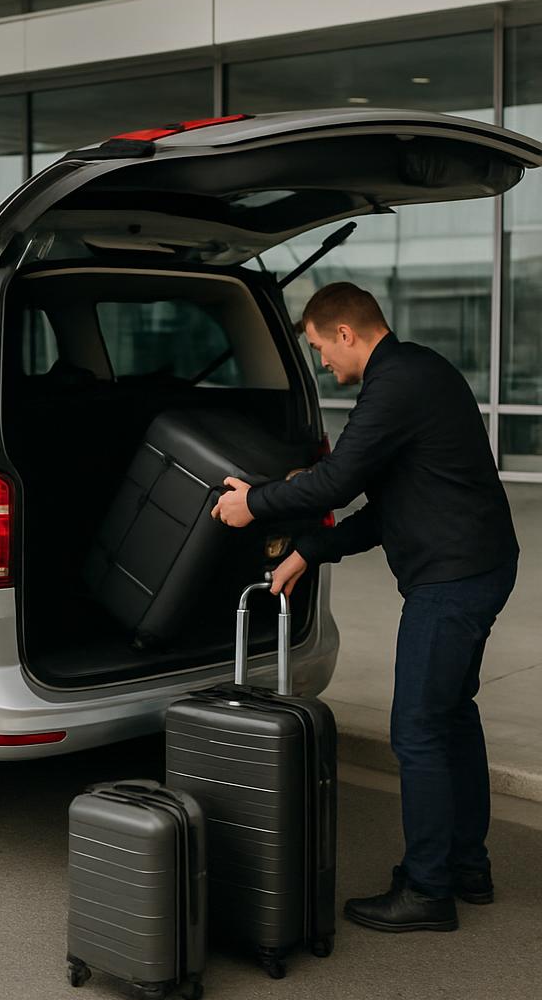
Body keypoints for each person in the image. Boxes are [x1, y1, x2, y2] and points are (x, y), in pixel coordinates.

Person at [211, 281, 519, 934]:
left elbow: (338, 479)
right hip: (476, 565)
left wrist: (256, 504)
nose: (323, 362)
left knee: (418, 730)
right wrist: (308, 552)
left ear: (345, 333)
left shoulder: (398, 382)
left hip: (453, 579)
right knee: (451, 717)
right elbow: (384, 511)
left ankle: (427, 890)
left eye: (321, 348)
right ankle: (468, 866)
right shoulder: (416, 374)